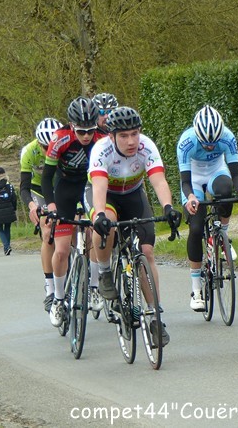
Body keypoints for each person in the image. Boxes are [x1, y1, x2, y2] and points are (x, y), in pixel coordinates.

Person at [88, 106, 182, 346]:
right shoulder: (101, 150)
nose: (131, 141)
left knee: (147, 252)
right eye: (124, 135)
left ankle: (155, 316)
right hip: (106, 196)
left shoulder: (146, 146)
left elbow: (158, 181)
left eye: (134, 133)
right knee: (107, 224)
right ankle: (105, 272)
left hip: (133, 195)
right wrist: (100, 215)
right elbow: (99, 187)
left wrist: (168, 207)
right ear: (112, 136)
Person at [176, 105, 238, 312]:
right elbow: (185, 181)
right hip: (193, 178)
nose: (210, 147)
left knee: (226, 191)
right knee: (195, 227)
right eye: (205, 143)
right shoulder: (186, 142)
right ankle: (196, 290)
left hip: (216, 171)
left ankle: (222, 236)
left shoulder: (227, 137)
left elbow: (236, 174)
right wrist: (191, 197)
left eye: (214, 143)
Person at [43, 97, 107, 327]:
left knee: (95, 235)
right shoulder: (60, 139)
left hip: (89, 186)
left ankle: (94, 288)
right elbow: (46, 177)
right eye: (81, 131)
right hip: (65, 189)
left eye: (90, 130)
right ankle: (59, 300)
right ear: (72, 126)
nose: (86, 136)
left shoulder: (102, 138)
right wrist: (51, 205)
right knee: (61, 250)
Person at [20, 117, 62, 312]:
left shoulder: (66, 145)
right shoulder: (29, 151)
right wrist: (31, 206)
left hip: (62, 188)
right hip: (39, 191)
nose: (48, 151)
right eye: (45, 147)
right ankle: (50, 289)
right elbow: (24, 187)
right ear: (38, 143)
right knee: (47, 233)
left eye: (51, 146)